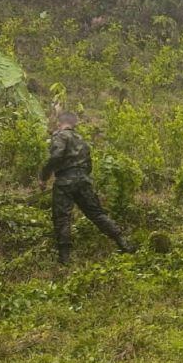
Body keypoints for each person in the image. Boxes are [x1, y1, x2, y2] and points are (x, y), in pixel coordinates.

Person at [39, 112, 135, 265]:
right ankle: (123, 243)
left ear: (59, 123)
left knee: (62, 217)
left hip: (65, 181)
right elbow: (89, 164)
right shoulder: (82, 140)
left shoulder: (60, 136)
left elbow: (55, 157)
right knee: (96, 213)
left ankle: (64, 258)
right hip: (84, 180)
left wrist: (44, 177)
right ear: (74, 123)